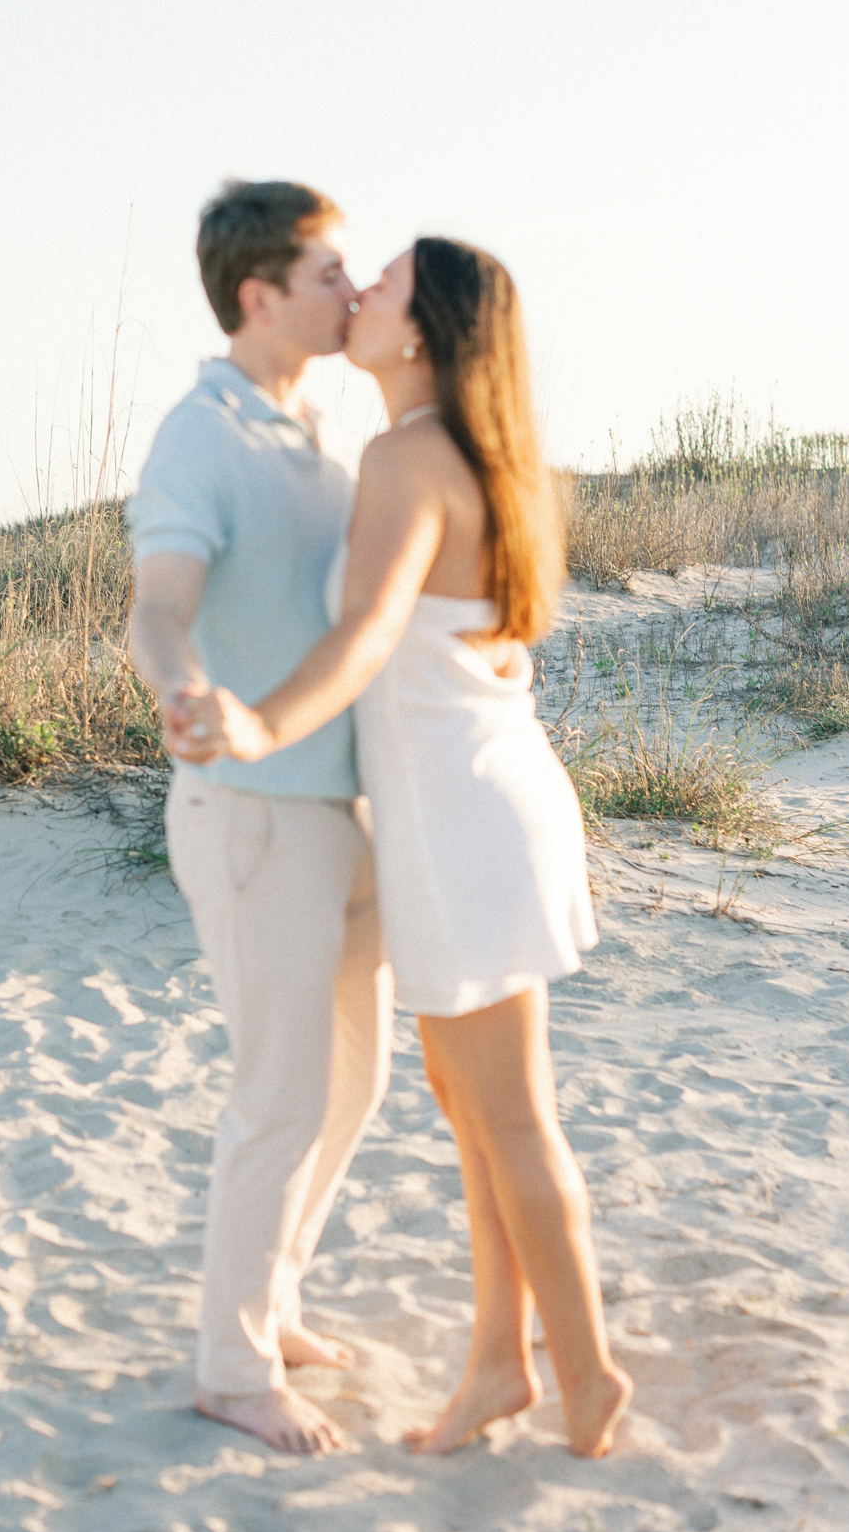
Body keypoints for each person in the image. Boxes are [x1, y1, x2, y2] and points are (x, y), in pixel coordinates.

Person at [172, 236, 633, 1459]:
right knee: (470, 1105)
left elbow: (370, 635)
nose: (359, 295)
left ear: (421, 329)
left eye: (378, 284)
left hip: (461, 823)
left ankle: (585, 1374)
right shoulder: (468, 454)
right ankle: (498, 1363)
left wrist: (264, 721)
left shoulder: (403, 457)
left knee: (513, 1119)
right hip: (474, 806)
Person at [128, 180, 394, 1456]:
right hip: (251, 814)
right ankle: (231, 1368)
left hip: (341, 812)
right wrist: (185, 687)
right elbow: (159, 599)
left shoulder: (320, 430)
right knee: (279, 1092)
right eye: (330, 275)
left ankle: (273, 1301)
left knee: (356, 1082)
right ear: (261, 295)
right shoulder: (203, 434)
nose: (352, 293)